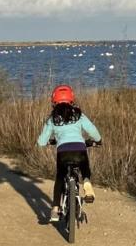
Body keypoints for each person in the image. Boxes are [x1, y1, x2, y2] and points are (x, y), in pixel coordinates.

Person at [37, 85, 102, 223]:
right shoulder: (79, 115)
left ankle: (55, 209)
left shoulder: (53, 119)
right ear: (72, 100)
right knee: (85, 169)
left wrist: (50, 142)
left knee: (60, 177)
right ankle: (86, 182)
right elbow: (92, 130)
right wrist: (98, 140)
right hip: (80, 148)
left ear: (54, 101)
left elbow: (41, 141)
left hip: (63, 152)